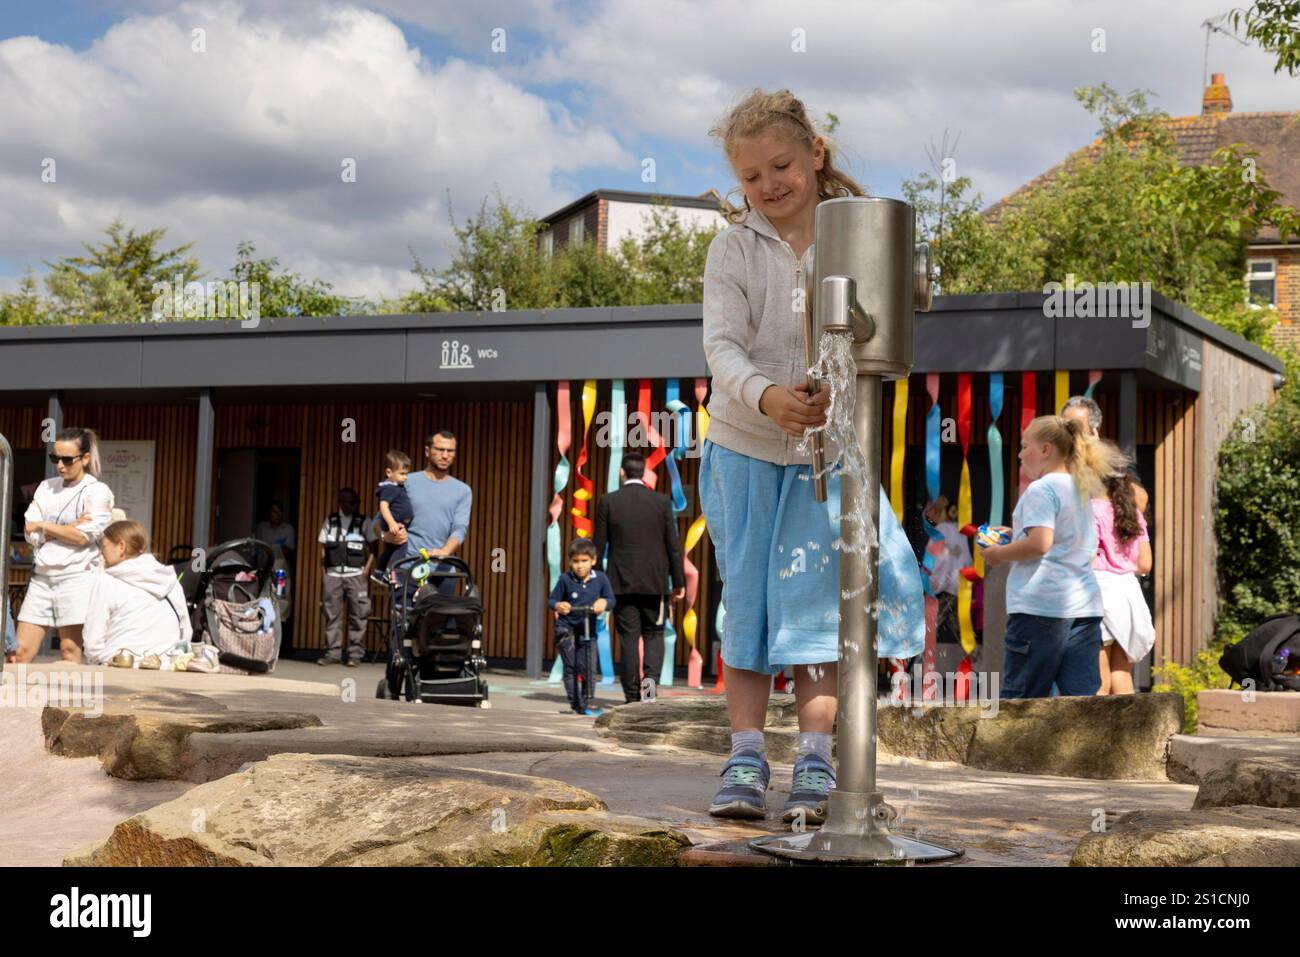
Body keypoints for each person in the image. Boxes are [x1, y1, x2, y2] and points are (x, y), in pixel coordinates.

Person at [698, 89, 925, 826]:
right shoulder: (733, 247)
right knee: (752, 608)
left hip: (826, 455)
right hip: (745, 446)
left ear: (815, 154)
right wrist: (767, 395)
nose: (770, 184)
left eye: (782, 164)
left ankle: (818, 756)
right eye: (752, 175)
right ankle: (743, 753)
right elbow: (722, 346)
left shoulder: (851, 237)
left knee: (816, 612)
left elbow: (884, 328)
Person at [983, 416, 1125, 698]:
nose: (1020, 453)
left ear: (1045, 450)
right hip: (1084, 611)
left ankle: (1018, 746)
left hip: (1040, 608)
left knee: (1022, 701)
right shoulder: (1080, 488)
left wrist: (998, 554)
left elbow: (1040, 543)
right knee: (1080, 701)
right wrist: (1016, 533)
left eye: (1025, 446)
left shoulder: (1041, 489)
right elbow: (1063, 539)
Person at [12, 428, 115, 664]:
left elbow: (83, 537)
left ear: (85, 458)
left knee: (70, 651)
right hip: (42, 575)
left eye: (67, 459)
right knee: (19, 654)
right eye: (55, 458)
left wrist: (44, 526)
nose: (60, 465)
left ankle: (66, 701)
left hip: (77, 575)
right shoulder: (46, 487)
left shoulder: (97, 491)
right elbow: (29, 531)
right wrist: (64, 529)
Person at [593, 450, 686, 703]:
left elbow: (598, 547)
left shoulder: (608, 501)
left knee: (628, 639)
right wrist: (678, 582)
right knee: (654, 636)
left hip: (620, 584)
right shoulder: (662, 502)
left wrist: (599, 585)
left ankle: (632, 697)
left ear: (622, 473)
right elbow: (673, 546)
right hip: (655, 584)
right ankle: (648, 695)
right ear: (644, 473)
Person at [82, 520, 192, 665]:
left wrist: (99, 660)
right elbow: (186, 632)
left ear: (121, 546)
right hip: (166, 666)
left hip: (119, 666)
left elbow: (93, 642)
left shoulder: (106, 581)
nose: (101, 553)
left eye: (103, 546)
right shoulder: (170, 579)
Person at [1092, 457, 1154, 694]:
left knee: (1098, 675)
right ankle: (1129, 731)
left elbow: (1086, 557)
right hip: (1129, 595)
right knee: (1122, 672)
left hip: (1099, 594)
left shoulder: (1091, 510)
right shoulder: (1134, 514)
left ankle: (1098, 730)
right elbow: (1145, 563)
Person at [383, 431, 472, 596]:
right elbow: (379, 522)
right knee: (405, 621)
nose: (445, 455)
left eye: (450, 451)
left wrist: (445, 551)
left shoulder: (463, 491)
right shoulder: (406, 482)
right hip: (407, 568)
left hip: (443, 572)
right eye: (439, 449)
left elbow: (460, 529)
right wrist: (387, 537)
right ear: (427, 451)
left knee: (440, 621)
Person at [548, 537, 615, 715]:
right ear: (570, 562)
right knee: (570, 667)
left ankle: (588, 701)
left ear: (593, 560)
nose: (580, 566)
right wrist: (558, 606)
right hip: (566, 629)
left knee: (589, 668)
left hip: (588, 629)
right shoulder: (565, 579)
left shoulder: (601, 579)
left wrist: (603, 602)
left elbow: (611, 600)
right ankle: (575, 704)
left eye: (584, 561)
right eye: (575, 561)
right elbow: (552, 600)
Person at [317, 487, 377, 666]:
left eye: (352, 502)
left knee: (358, 615)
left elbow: (374, 548)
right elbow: (322, 546)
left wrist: (366, 571)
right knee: (331, 615)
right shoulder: (331, 520)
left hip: (356, 575)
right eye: (345, 501)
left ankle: (355, 655)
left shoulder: (364, 521)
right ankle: (333, 653)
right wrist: (324, 573)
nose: (349, 505)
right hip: (333, 575)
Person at [1061, 394, 1150, 515]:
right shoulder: (1053, 458)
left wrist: (1099, 464)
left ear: (1093, 431)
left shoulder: (1113, 460)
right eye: (1064, 426)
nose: (1068, 432)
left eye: (1074, 427)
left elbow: (1141, 503)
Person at [923, 495, 969, 643]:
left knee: (925, 630)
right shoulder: (959, 530)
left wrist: (929, 584)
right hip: (958, 588)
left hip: (941, 588)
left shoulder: (940, 530)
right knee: (962, 633)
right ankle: (976, 662)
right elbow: (968, 560)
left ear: (936, 512)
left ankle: (915, 666)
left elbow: (937, 561)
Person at [372, 449, 413, 584]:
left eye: (406, 474)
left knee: (389, 550)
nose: (405, 477)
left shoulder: (397, 486)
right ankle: (390, 573)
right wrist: (391, 523)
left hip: (397, 523)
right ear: (389, 472)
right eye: (402, 474)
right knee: (402, 549)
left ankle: (379, 572)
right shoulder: (389, 488)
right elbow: (383, 507)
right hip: (394, 524)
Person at [253, 500, 296, 623]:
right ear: (269, 513)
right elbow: (256, 549)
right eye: (274, 512)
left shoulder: (288, 529)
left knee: (281, 597)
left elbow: (289, 551)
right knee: (263, 596)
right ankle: (263, 623)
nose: (278, 515)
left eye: (280, 512)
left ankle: (280, 625)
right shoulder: (261, 528)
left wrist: (277, 546)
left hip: (280, 571)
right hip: (263, 569)